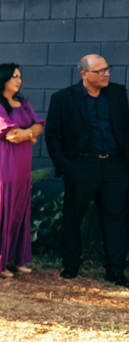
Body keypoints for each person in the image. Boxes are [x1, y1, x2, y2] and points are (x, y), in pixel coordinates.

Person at [44, 54, 128, 286]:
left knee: (116, 218)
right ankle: (71, 265)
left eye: (107, 69)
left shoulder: (118, 93)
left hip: (114, 166)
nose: (106, 73)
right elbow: (52, 135)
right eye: (100, 71)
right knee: (73, 216)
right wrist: (67, 166)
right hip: (82, 166)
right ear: (84, 74)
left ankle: (115, 270)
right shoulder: (63, 98)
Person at [0, 64, 44, 278]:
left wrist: (27, 133)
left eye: (20, 76)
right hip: (2, 164)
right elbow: (9, 134)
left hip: (22, 166)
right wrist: (30, 134)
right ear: (2, 79)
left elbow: (38, 126)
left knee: (18, 211)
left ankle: (16, 258)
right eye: (14, 76)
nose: (19, 80)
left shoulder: (23, 103)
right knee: (0, 209)